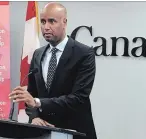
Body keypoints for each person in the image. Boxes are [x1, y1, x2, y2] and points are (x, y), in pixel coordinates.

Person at [9, 2, 97, 139]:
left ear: (64, 22)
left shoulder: (84, 54)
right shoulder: (38, 54)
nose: (46, 27)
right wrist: (34, 117)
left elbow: (79, 98)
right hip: (43, 132)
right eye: (43, 22)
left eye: (52, 21)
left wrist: (38, 102)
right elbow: (32, 94)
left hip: (74, 131)